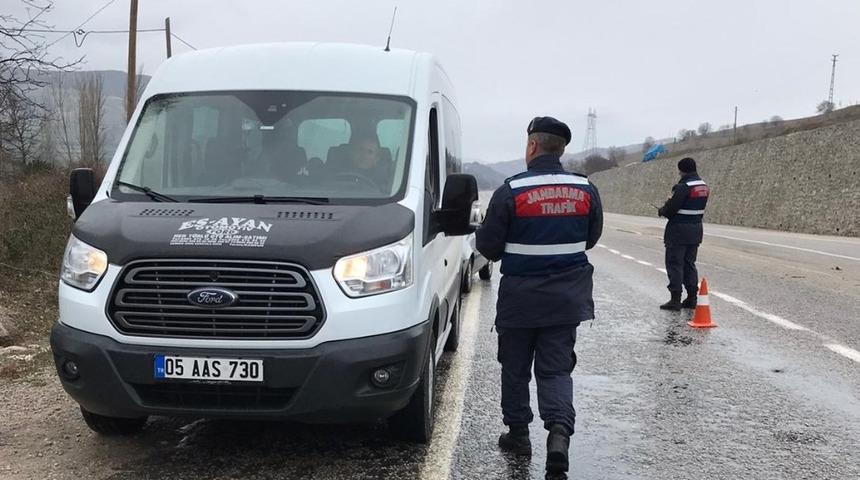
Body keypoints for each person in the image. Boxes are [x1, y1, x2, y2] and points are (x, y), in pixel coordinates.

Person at [476, 116, 603, 479]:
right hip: (566, 301)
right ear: (561, 149)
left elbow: (488, 247)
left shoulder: (510, 191)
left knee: (515, 370)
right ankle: (559, 436)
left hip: (520, 302)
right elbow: (590, 239)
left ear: (532, 145)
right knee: (556, 371)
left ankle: (518, 436)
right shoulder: (585, 189)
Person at [656, 157, 710, 310]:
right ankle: (692, 297)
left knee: (675, 264)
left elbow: (671, 208)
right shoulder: (703, 186)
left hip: (678, 231)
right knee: (689, 264)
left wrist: (662, 210)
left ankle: (675, 299)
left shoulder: (683, 186)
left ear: (681, 170)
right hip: (696, 229)